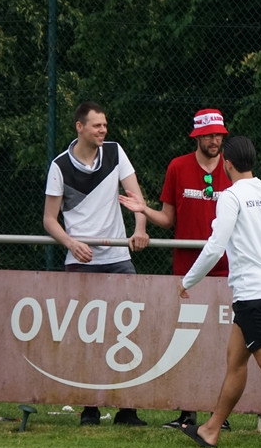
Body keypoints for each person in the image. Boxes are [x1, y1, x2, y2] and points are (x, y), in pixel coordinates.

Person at [176, 135, 261, 448]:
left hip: (251, 293)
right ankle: (211, 429)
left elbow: (215, 246)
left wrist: (188, 281)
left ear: (227, 164)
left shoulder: (231, 196)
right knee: (236, 363)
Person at [119, 108, 232, 431]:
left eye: (219, 134)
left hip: (226, 269)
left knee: (222, 344)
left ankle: (220, 416)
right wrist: (144, 210)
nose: (214, 140)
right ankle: (187, 413)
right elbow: (168, 219)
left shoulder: (232, 167)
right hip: (187, 270)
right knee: (187, 342)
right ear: (196, 137)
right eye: (208, 135)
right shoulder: (178, 167)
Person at [43, 101, 149, 427]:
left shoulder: (115, 152)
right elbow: (49, 220)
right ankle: (89, 408)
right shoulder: (59, 166)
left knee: (131, 330)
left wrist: (140, 229)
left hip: (119, 259)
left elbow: (136, 199)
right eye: (97, 125)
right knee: (85, 335)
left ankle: (127, 409)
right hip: (80, 261)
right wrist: (71, 244)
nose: (103, 130)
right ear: (80, 127)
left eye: (105, 125)